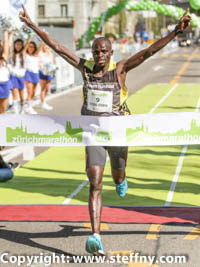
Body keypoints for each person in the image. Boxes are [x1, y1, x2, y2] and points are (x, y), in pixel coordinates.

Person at [19, 5, 191, 255]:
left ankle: (122, 178)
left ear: (111, 53)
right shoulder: (85, 68)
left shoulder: (120, 70)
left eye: (104, 51)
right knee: (95, 182)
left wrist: (175, 31)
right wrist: (33, 25)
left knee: (117, 175)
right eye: (96, 51)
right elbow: (57, 46)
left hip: (118, 133)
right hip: (93, 135)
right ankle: (96, 235)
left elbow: (149, 51)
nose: (100, 54)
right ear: (92, 53)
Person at [9, 36, 30, 114]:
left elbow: (27, 42)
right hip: (13, 76)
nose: (18, 46)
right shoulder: (12, 53)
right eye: (16, 44)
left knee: (21, 95)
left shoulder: (23, 53)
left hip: (21, 77)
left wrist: (29, 34)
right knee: (14, 94)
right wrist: (10, 34)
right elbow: (8, 45)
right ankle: (16, 111)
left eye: (20, 45)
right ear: (14, 45)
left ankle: (21, 108)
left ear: (22, 46)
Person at [24, 41, 42, 114]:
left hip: (35, 74)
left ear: (34, 48)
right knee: (30, 92)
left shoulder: (36, 54)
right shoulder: (25, 55)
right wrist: (29, 37)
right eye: (29, 46)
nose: (30, 48)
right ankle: (29, 108)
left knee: (33, 92)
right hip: (28, 73)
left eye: (32, 47)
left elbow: (41, 44)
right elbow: (25, 47)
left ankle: (28, 105)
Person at [39, 42, 54, 110]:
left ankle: (43, 101)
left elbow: (52, 63)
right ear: (43, 48)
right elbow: (38, 63)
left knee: (47, 88)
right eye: (45, 47)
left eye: (48, 48)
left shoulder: (51, 54)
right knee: (43, 88)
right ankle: (43, 103)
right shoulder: (40, 54)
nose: (46, 49)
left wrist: (53, 69)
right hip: (42, 72)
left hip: (49, 72)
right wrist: (42, 68)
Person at [0, 30, 12, 114]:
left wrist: (6, 31)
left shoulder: (3, 57)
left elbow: (7, 44)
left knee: (3, 107)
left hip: (5, 84)